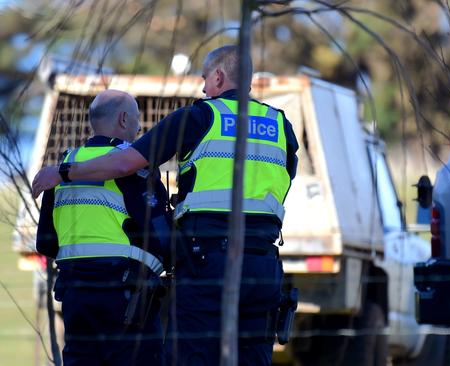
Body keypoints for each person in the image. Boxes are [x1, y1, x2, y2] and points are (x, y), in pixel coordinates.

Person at [32, 45, 299, 365]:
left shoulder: (198, 117)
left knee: (193, 356)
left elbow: (123, 164)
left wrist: (63, 173)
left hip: (208, 261)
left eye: (204, 78)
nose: (202, 87)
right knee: (253, 357)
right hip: (263, 263)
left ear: (218, 75)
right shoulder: (281, 126)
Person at [36, 89, 171, 365]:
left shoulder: (64, 166)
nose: (138, 126)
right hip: (125, 300)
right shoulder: (133, 165)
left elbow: (46, 243)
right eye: (136, 119)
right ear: (123, 120)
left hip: (76, 295)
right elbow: (160, 237)